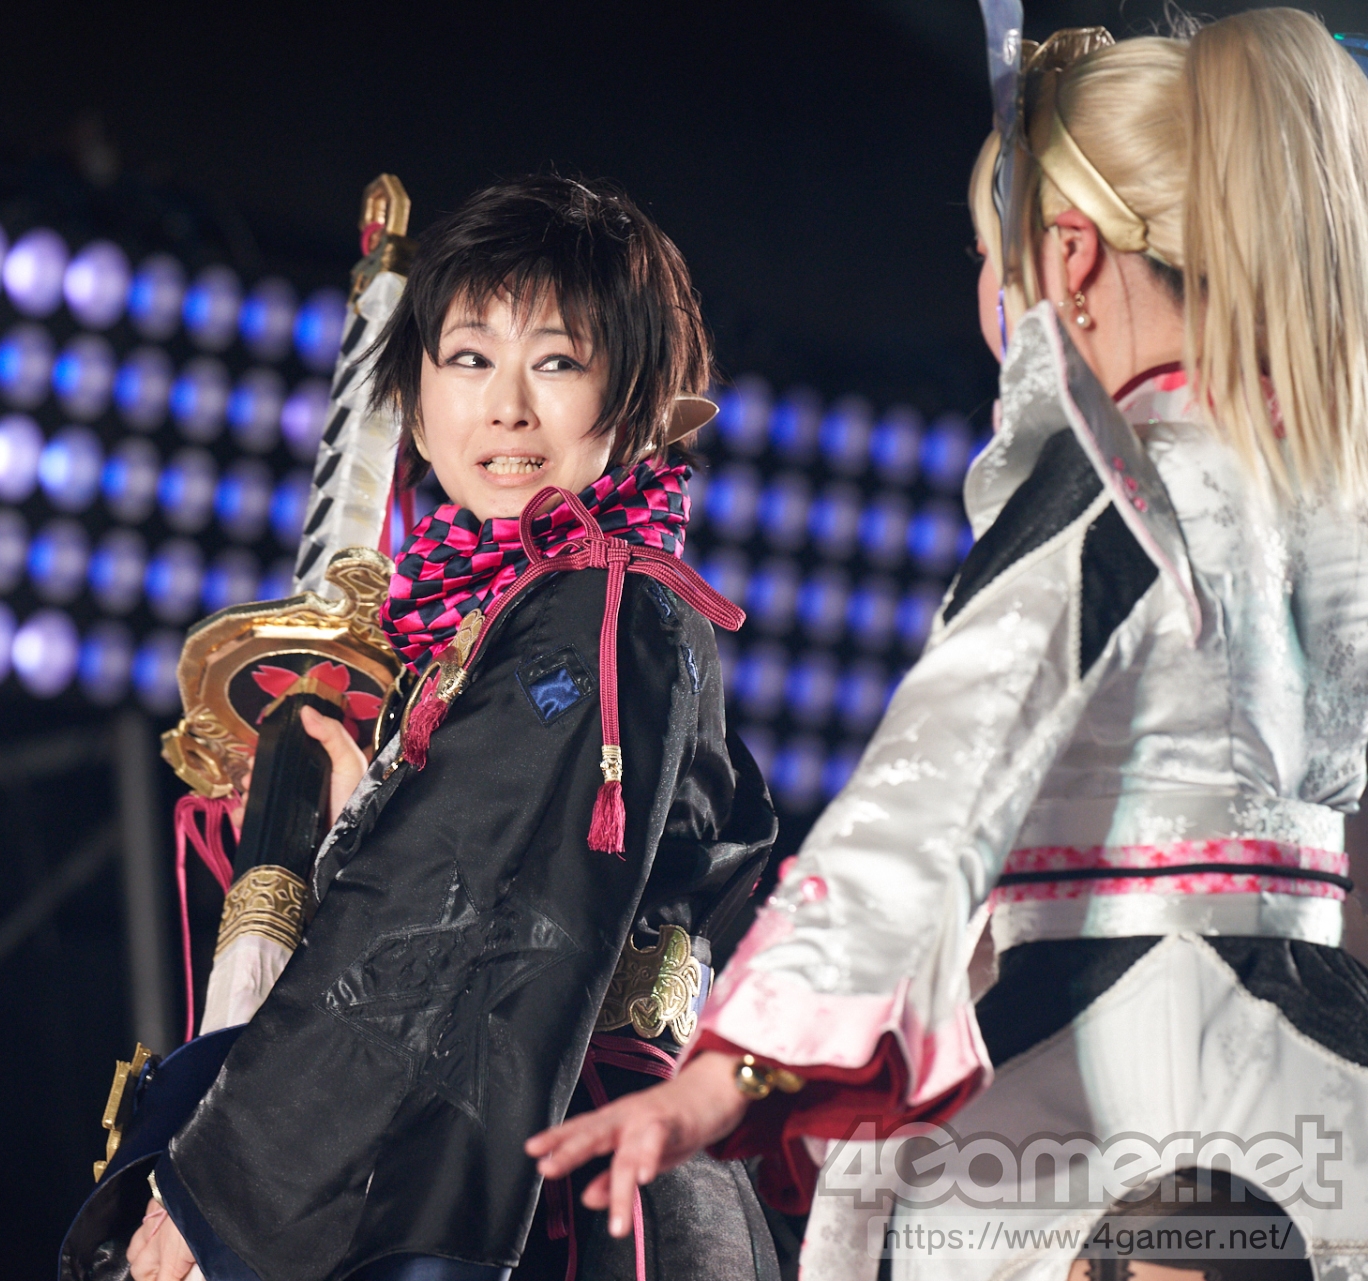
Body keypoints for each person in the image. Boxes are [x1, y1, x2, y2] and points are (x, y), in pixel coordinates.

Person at [527, 12, 1368, 1281]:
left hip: (1119, 1074)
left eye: (991, 256)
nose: (988, 294)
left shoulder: (1113, 488)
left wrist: (734, 1067)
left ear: (1069, 256)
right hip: (1317, 1067)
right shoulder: (1319, 482)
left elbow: (932, 786)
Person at [124, 174, 782, 1281]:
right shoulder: (490, 620)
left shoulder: (606, 601)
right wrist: (362, 809)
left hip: (564, 1179)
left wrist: (224, 1187)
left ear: (636, 399)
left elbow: (450, 896)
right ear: (415, 402)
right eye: (469, 357)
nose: (506, 407)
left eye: (558, 362)